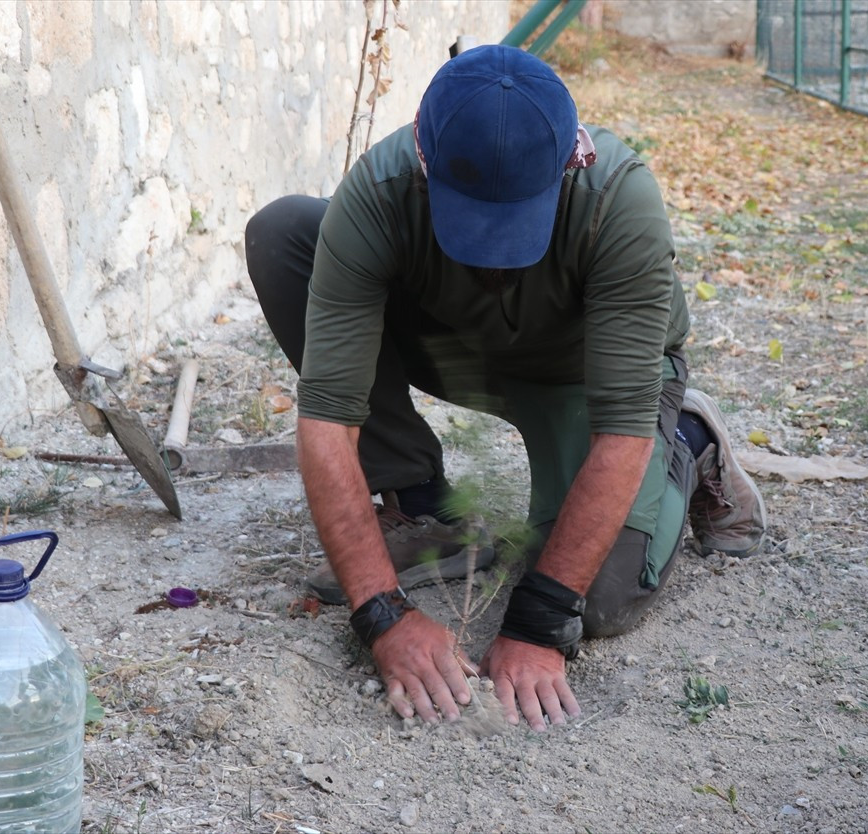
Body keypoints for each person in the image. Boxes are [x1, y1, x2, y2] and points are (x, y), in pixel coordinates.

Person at [244, 45, 766, 732]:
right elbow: (327, 420)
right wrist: (382, 615)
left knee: (601, 601)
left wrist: (540, 621)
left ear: (572, 161)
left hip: (585, 374)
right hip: (463, 347)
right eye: (472, 220)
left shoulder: (620, 200)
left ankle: (690, 439)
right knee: (285, 232)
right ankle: (422, 504)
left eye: (515, 221)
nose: (493, 253)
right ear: (425, 160)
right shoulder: (380, 188)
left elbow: (620, 432)